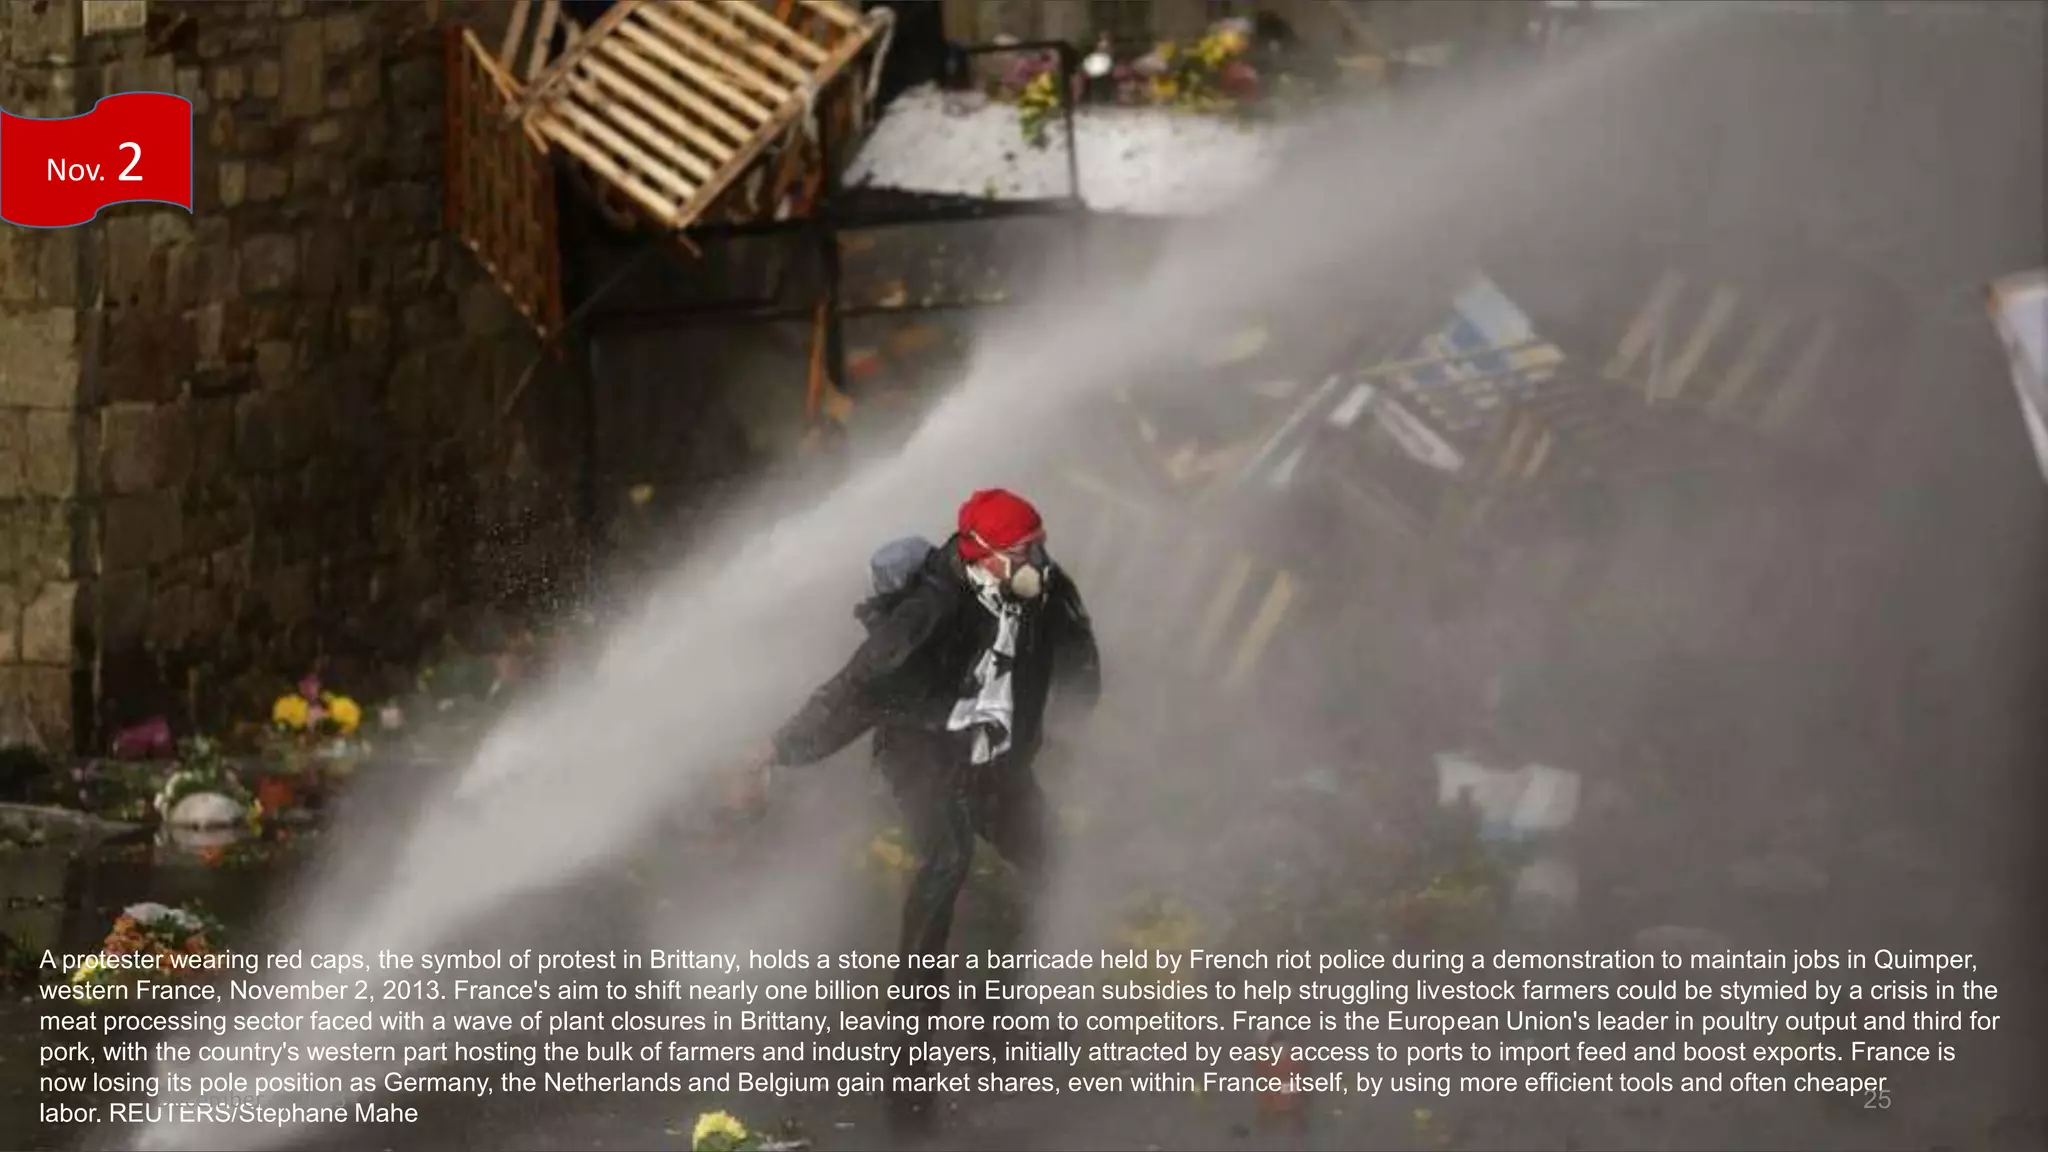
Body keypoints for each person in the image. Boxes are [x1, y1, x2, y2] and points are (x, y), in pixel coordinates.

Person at [752, 488, 1101, 1118]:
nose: (1039, 560)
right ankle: (909, 1051)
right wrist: (780, 748)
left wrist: (1070, 715)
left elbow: (1075, 656)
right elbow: (856, 690)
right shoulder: (929, 611)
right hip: (926, 762)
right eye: (1025, 551)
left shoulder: (1044, 589)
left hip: (998, 761)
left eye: (1040, 545)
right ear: (985, 556)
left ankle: (995, 1016)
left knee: (1052, 862)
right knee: (947, 863)